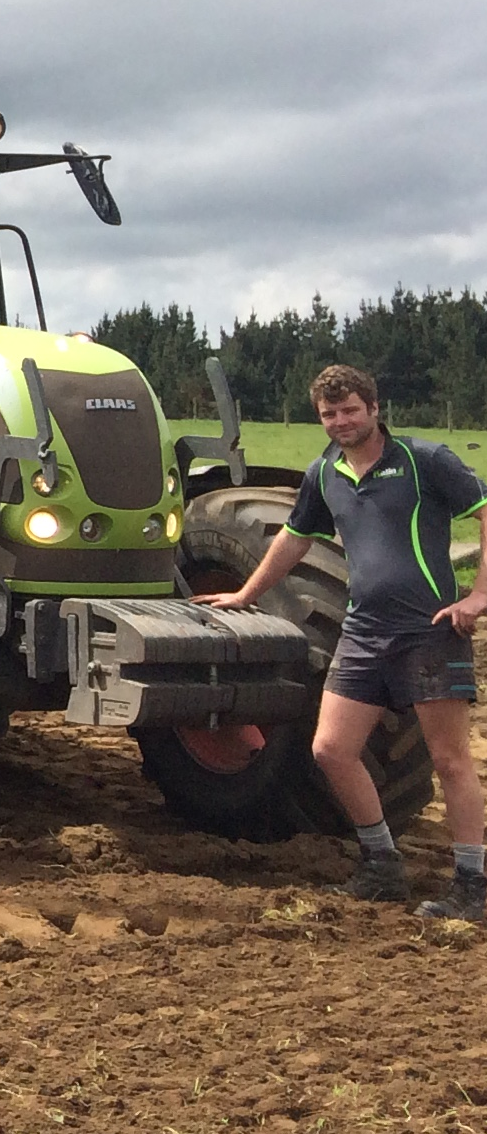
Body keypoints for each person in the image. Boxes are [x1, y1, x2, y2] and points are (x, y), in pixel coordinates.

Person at [205, 364, 487, 916]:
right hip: (363, 633)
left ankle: (473, 885)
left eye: (351, 410)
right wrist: (245, 593)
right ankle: (382, 866)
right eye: (329, 414)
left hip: (429, 632)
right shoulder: (325, 471)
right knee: (331, 750)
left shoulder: (423, 461)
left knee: (450, 761)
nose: (341, 421)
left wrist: (479, 596)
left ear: (375, 409)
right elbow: (294, 537)